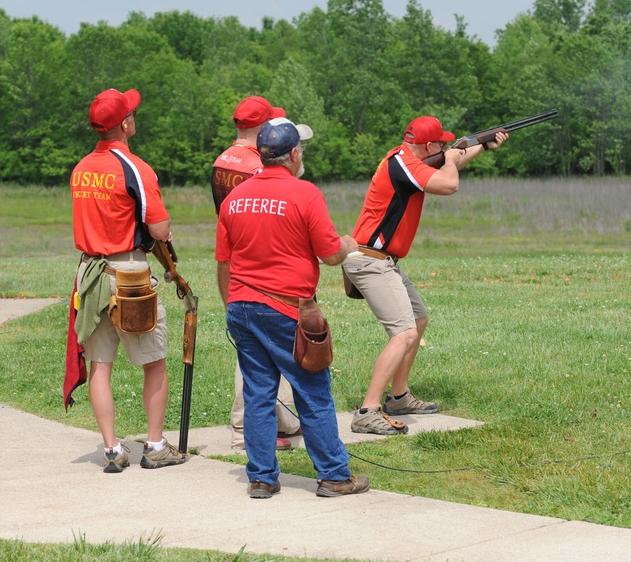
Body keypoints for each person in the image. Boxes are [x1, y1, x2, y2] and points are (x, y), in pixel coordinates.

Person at [216, 117, 369, 498]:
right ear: (294, 154)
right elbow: (330, 254)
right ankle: (334, 475)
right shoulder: (305, 193)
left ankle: (262, 478)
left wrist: (232, 304)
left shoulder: (235, 197)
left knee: (258, 394)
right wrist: (348, 244)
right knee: (313, 391)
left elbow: (224, 262)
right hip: (286, 310)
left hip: (241, 306)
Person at [344, 116, 507, 435]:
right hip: (370, 260)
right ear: (430, 146)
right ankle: (368, 410)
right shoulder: (403, 164)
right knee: (403, 333)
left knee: (417, 320)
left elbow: (452, 162)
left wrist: (483, 146)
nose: (447, 146)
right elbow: (449, 183)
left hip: (383, 260)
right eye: (442, 143)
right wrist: (450, 157)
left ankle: (400, 396)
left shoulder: (408, 161)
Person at [70, 87, 186, 473]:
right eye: (131, 113)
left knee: (101, 366)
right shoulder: (135, 166)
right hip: (130, 274)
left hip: (91, 274)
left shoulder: (82, 167)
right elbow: (159, 226)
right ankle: (154, 446)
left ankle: (112, 449)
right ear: (124, 124)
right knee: (153, 362)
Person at [211, 96, 301, 452]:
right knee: (259, 356)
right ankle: (245, 431)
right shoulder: (256, 167)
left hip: (234, 259)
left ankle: (279, 423)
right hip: (261, 267)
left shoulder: (223, 160)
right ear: (261, 127)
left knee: (256, 350)